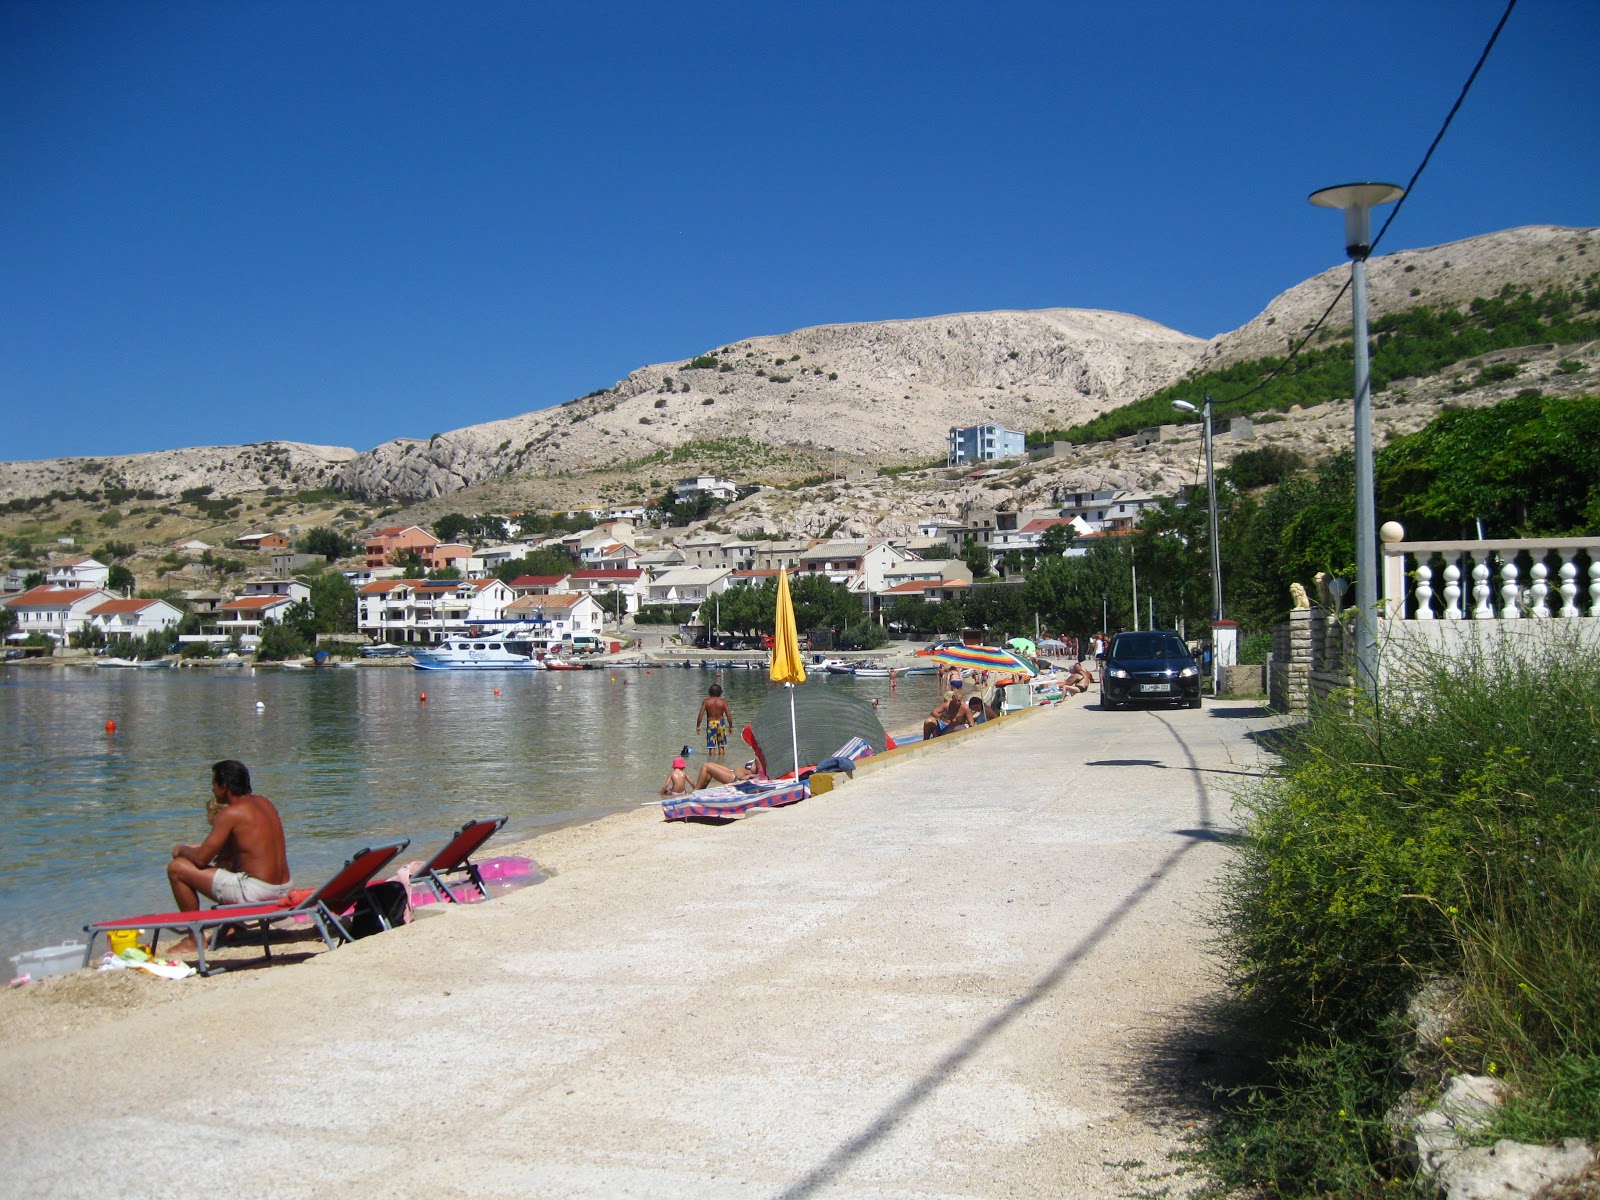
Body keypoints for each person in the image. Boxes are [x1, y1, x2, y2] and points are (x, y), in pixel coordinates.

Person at [168, 760, 292, 911]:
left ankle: (194, 934)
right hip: (284, 888)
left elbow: (201, 859)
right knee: (230, 863)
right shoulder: (265, 803)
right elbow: (243, 849)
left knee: (176, 868)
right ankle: (234, 928)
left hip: (258, 892)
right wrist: (197, 848)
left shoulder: (231, 812)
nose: (212, 790)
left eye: (213, 784)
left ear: (224, 787)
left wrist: (181, 850)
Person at [696, 683, 732, 759]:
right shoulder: (723, 702)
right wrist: (731, 726)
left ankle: (711, 764)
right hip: (721, 723)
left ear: (710, 692)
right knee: (721, 746)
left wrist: (698, 725)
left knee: (711, 746)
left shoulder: (706, 701)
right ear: (720, 692)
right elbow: (728, 715)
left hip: (711, 724)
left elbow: (701, 714)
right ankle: (721, 763)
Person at [695, 759, 761, 789]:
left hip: (734, 778)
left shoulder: (761, 759)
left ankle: (695, 791)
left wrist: (750, 775)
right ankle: (700, 791)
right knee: (709, 764)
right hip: (731, 772)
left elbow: (763, 775)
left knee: (706, 766)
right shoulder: (759, 755)